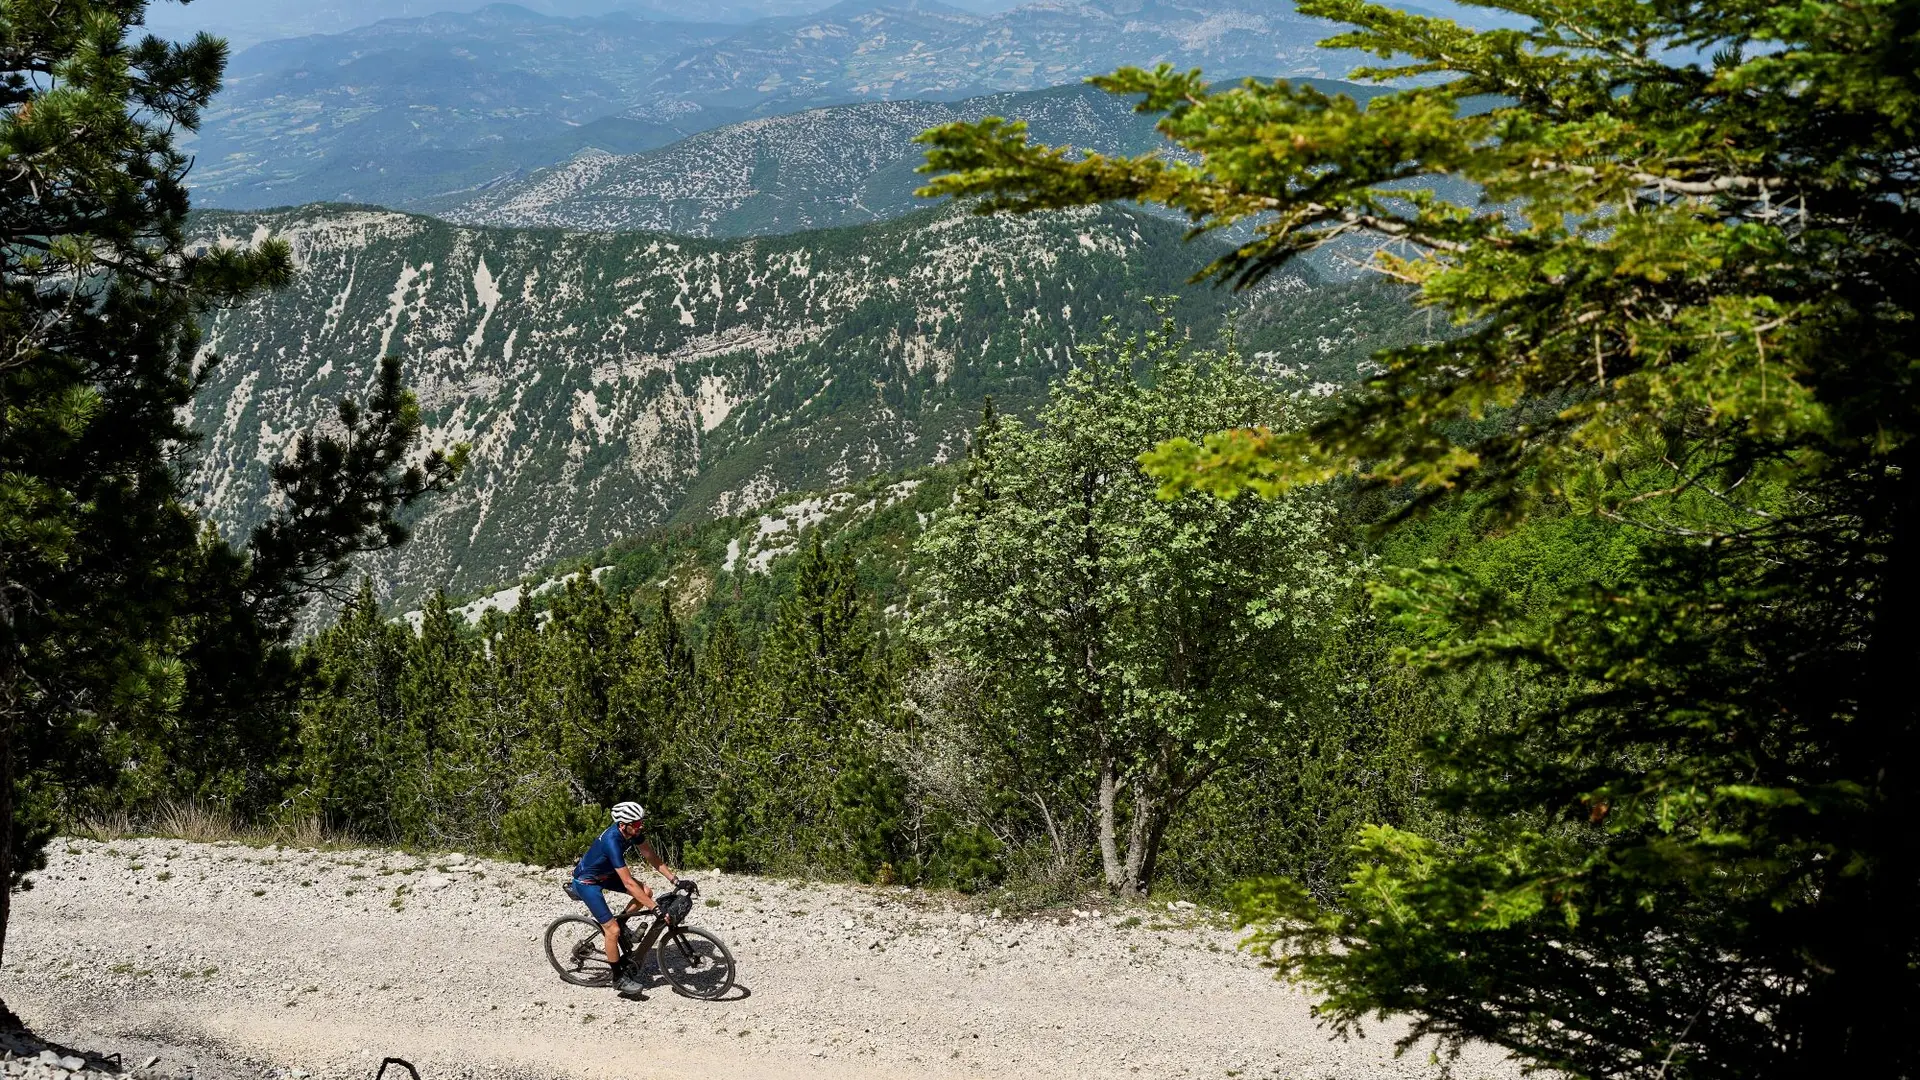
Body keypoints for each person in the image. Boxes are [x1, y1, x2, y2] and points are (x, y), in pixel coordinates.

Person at [573, 801, 679, 996]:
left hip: (606, 874)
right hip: (587, 882)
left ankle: (624, 926)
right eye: (637, 824)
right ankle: (618, 979)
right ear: (623, 825)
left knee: (645, 892)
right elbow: (629, 883)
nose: (641, 827)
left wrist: (674, 879)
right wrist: (655, 909)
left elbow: (651, 856)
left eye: (641, 823)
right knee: (611, 930)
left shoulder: (632, 832)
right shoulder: (611, 841)